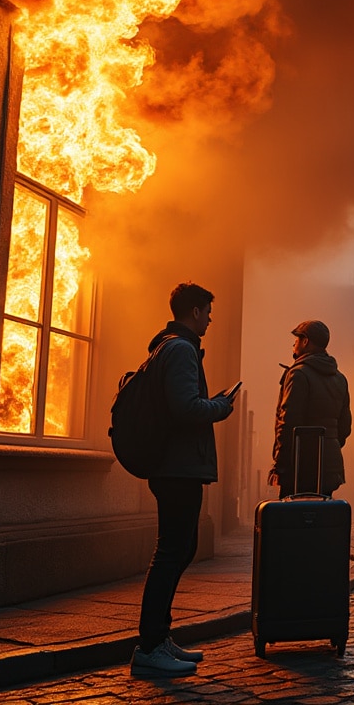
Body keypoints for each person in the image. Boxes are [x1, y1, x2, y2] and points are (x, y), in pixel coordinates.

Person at [131, 282, 237, 676]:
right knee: (171, 553)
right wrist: (222, 406)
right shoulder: (180, 349)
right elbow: (185, 408)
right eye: (208, 311)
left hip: (178, 467)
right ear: (194, 311)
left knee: (181, 548)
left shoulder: (174, 347)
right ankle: (149, 645)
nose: (210, 318)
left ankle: (159, 637)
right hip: (177, 469)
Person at [269, 320, 352, 497]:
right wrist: (330, 446)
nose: (293, 344)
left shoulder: (298, 374)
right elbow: (345, 426)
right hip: (330, 465)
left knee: (293, 517)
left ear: (306, 341)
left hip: (300, 464)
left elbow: (288, 423)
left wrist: (280, 466)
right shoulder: (340, 379)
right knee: (321, 517)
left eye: (297, 339)